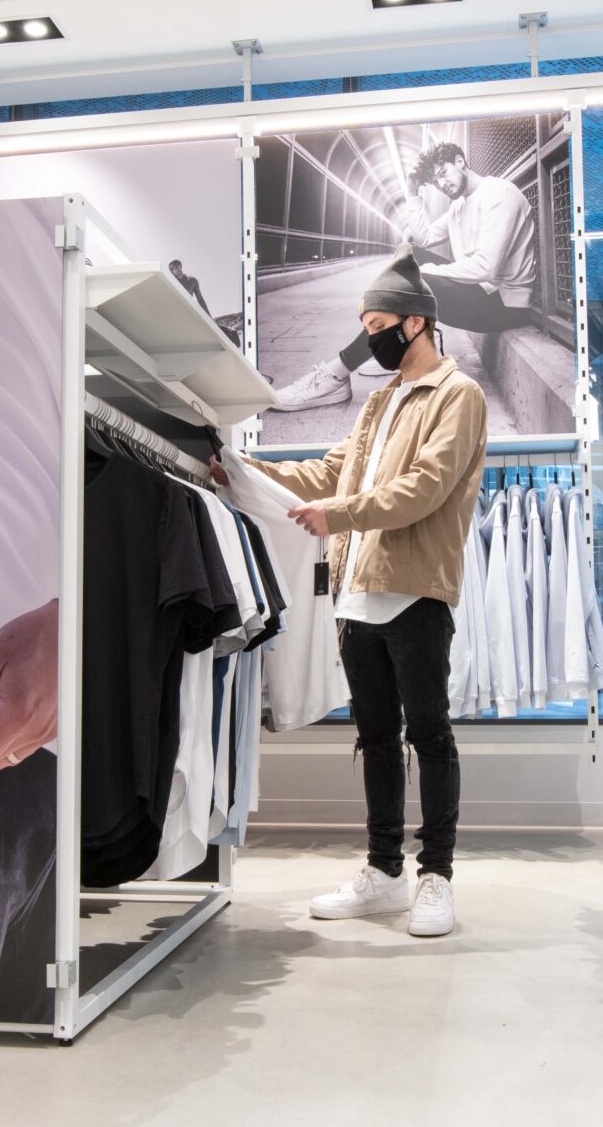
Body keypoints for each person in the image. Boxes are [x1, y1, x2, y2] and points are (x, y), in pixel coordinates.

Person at [214, 245, 489, 935]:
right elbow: (331, 472)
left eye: (378, 322)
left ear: (416, 323)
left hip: (417, 590)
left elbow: (424, 488)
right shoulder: (380, 405)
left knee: (429, 734)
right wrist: (238, 469)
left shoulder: (457, 396)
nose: (370, 337)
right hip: (357, 591)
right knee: (374, 736)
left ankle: (437, 877)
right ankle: (384, 870)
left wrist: (338, 515)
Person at [270, 142, 539, 412]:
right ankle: (389, 348)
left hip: (503, 306)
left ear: (460, 161)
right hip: (481, 293)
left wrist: (423, 275)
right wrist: (413, 195)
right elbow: (424, 238)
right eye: (435, 181)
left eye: (443, 173)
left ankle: (336, 375)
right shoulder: (459, 206)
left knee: (412, 286)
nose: (441, 184)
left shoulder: (499, 195)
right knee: (409, 254)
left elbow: (485, 267)